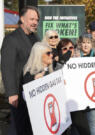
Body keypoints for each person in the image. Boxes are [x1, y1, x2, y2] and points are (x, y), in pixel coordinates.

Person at [1, 6, 40, 135]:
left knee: (28, 128)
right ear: (22, 19)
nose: (35, 22)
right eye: (32, 19)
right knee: (17, 128)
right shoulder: (11, 39)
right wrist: (12, 94)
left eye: (37, 19)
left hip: (33, 92)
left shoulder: (35, 38)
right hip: (19, 93)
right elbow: (7, 68)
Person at [57, 38, 90, 135]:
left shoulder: (80, 61)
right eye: (65, 49)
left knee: (84, 130)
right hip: (62, 105)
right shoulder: (56, 62)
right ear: (60, 50)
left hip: (77, 104)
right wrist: (61, 63)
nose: (68, 50)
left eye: (71, 48)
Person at [22, 42, 53, 134]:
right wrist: (34, 83)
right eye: (48, 53)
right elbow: (26, 97)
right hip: (38, 122)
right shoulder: (30, 74)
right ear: (39, 55)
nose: (51, 55)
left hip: (50, 118)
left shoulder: (49, 70)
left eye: (51, 53)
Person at [74, 35, 95, 135]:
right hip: (78, 96)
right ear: (80, 44)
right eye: (84, 42)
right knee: (77, 126)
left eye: (88, 42)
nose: (86, 45)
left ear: (92, 44)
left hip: (94, 97)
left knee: (93, 126)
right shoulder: (73, 56)